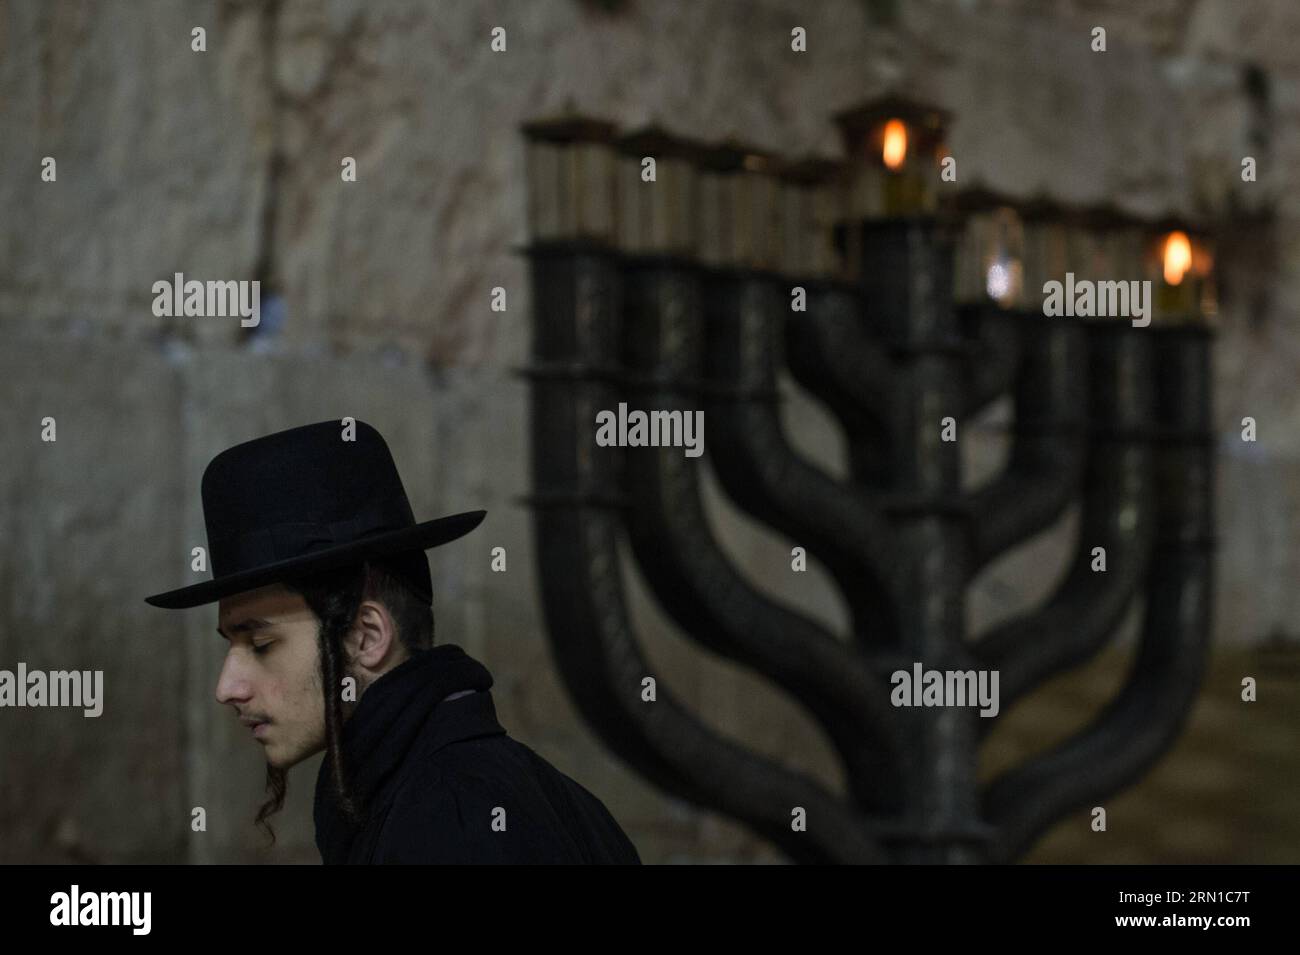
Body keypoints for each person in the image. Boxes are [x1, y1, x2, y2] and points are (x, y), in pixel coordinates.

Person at [146, 418, 640, 864]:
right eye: (229, 645)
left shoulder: (449, 819)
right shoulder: (488, 791)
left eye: (260, 645)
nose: (227, 687)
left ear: (367, 636)